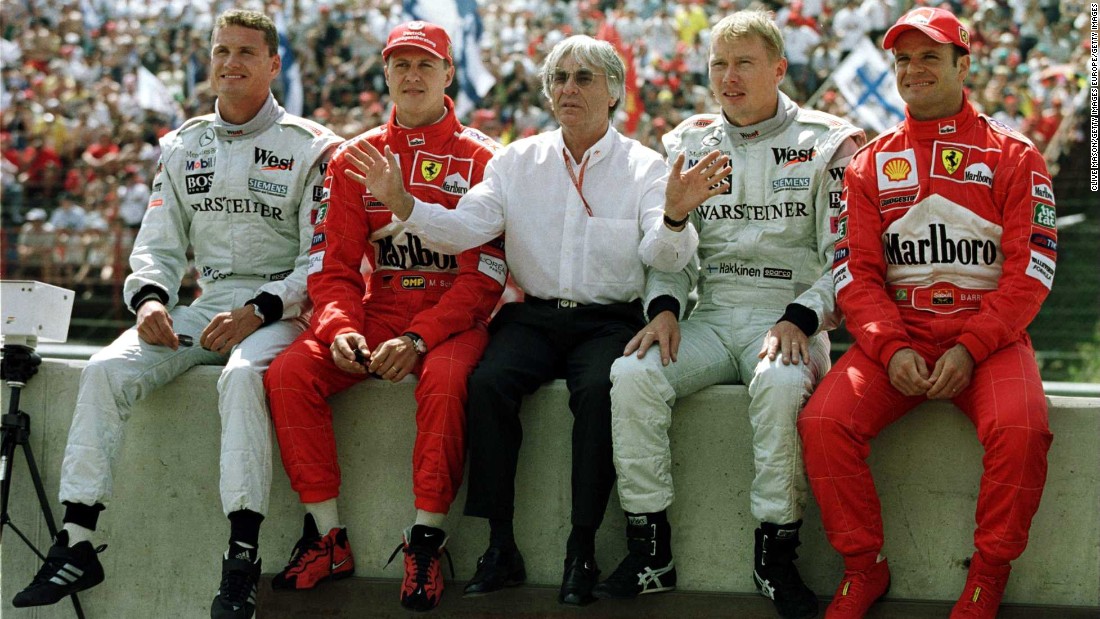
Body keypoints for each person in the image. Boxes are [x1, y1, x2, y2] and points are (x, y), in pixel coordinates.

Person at [343, 34, 729, 606]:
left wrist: (674, 216)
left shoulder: (647, 168)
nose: (569, 88)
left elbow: (663, 256)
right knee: (489, 382)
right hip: (535, 316)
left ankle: (581, 548)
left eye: (583, 78)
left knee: (601, 391)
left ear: (615, 92)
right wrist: (403, 202)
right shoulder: (517, 161)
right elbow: (461, 229)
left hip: (608, 320)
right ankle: (501, 547)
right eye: (559, 79)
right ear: (548, 92)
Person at [12, 10, 341, 619]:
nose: (231, 62)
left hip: (284, 311)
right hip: (207, 304)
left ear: (274, 64)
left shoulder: (313, 147)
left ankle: (242, 555)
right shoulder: (184, 143)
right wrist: (153, 300)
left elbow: (322, 263)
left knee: (242, 377)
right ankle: (78, 540)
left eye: (247, 52)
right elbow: (157, 248)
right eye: (221, 50)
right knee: (106, 368)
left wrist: (258, 310)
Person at [596, 11, 864, 619]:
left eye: (744, 63)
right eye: (719, 64)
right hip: (711, 316)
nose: (729, 77)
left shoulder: (830, 142)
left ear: (778, 68)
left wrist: (801, 316)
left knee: (777, 388)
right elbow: (671, 251)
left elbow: (846, 259)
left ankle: (775, 555)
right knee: (632, 374)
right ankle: (649, 552)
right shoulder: (688, 141)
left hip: (794, 320)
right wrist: (663, 308)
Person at [797, 7, 1057, 619]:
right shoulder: (867, 163)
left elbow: (1032, 272)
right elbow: (853, 276)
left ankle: (987, 577)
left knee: (1023, 430)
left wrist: (972, 346)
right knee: (823, 424)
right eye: (903, 59)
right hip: (898, 340)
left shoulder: (1015, 154)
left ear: (963, 65)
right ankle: (864, 569)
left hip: (990, 341)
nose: (914, 70)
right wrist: (891, 346)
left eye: (930, 58)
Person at [262, 21, 505, 613]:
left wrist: (421, 338)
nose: (412, 75)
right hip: (379, 310)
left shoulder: (484, 159)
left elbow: (484, 279)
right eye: (401, 64)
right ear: (386, 73)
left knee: (448, 383)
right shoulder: (354, 157)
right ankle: (326, 537)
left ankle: (425, 540)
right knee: (289, 373)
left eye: (425, 64)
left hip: (450, 318)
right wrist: (340, 328)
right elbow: (333, 268)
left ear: (449, 75)